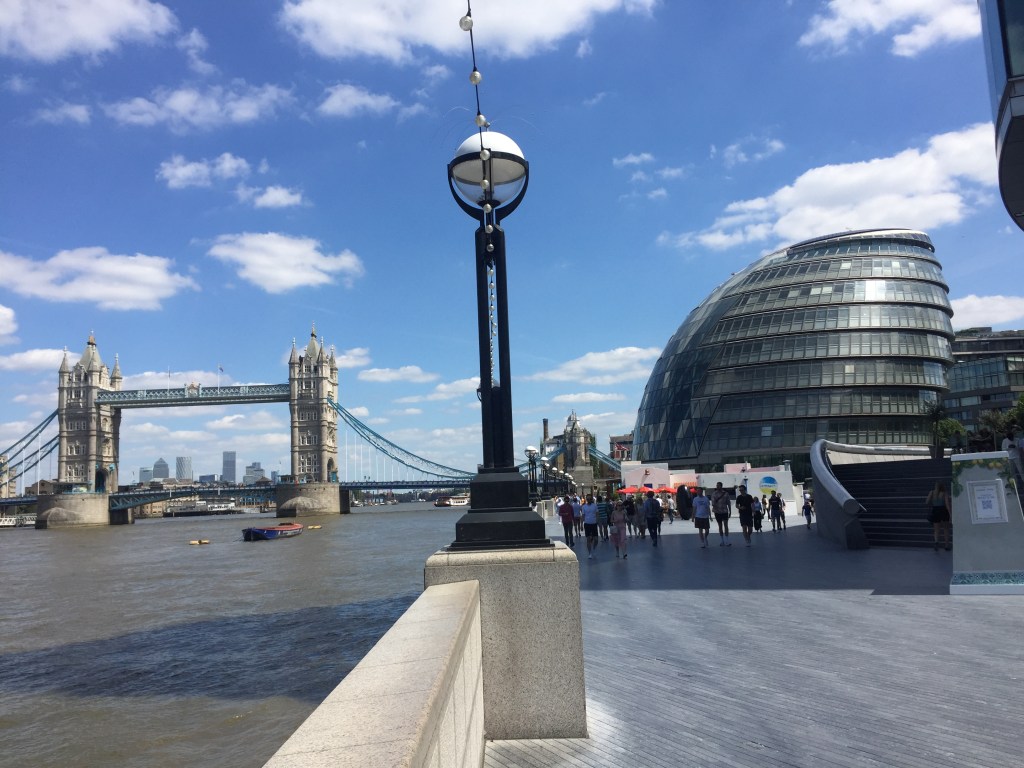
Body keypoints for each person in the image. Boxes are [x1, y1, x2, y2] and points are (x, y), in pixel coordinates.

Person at [925, 481, 952, 551]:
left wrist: (933, 499)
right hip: (943, 510)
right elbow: (947, 504)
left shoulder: (932, 492)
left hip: (935, 510)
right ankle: (946, 545)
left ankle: (936, 542)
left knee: (936, 529)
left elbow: (926, 502)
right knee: (946, 529)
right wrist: (950, 514)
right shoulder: (944, 493)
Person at [710, 481, 732, 546]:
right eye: (717, 485)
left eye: (718, 485)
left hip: (725, 511)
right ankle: (722, 540)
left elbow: (728, 503)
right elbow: (713, 503)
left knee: (726, 525)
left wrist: (730, 511)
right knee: (720, 526)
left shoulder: (726, 493)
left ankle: (727, 540)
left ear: (721, 486)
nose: (717, 486)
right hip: (717, 512)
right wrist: (715, 505)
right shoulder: (714, 494)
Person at [582, 494, 599, 559]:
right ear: (586, 499)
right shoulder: (584, 507)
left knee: (596, 539)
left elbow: (597, 514)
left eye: (590, 499)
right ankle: (590, 553)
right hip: (587, 523)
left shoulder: (595, 506)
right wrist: (581, 524)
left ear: (592, 499)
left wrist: (597, 521)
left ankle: (594, 548)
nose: (588, 500)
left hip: (594, 523)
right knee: (588, 539)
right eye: (587, 499)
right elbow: (583, 515)